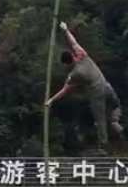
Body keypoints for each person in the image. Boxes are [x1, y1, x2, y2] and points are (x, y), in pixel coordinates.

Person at [46, 22, 123, 150]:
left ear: (66, 64)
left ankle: (104, 146)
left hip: (96, 95)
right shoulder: (82, 55)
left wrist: (51, 100)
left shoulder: (75, 74)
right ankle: (115, 119)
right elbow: (73, 42)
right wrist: (65, 30)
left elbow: (65, 90)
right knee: (116, 105)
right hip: (106, 86)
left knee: (100, 121)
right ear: (72, 55)